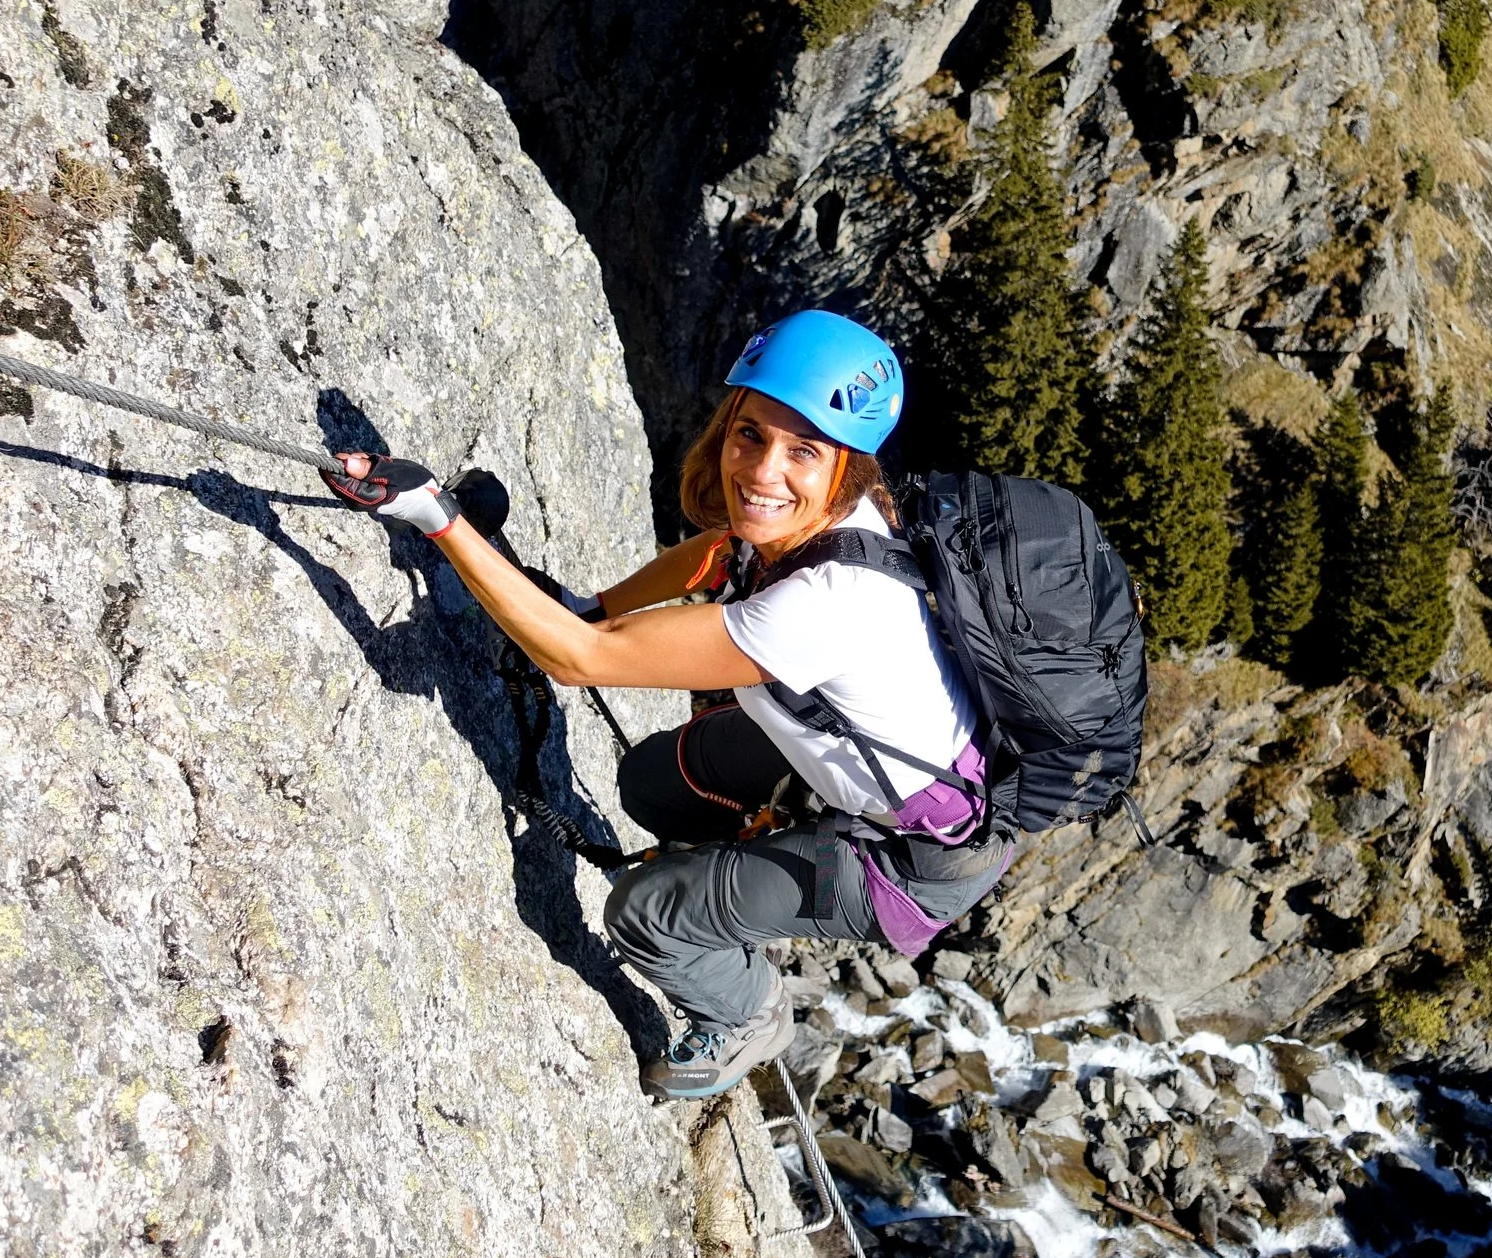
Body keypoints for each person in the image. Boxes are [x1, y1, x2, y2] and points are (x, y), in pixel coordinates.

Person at [322, 311, 1013, 1099]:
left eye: (801, 451)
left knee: (644, 911)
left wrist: (437, 520)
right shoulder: (831, 517)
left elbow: (578, 661)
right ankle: (743, 882)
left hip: (917, 856)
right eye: (750, 434)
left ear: (844, 467)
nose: (761, 472)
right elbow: (722, 551)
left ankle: (749, 1013)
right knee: (653, 782)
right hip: (873, 772)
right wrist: (590, 602)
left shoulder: (827, 601)